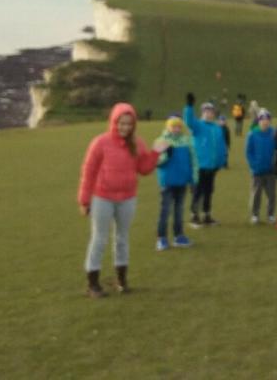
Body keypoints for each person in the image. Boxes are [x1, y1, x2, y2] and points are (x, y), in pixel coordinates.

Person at [78, 103, 168, 297]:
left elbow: (144, 169)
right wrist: (84, 200)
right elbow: (89, 171)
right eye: (122, 123)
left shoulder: (137, 143)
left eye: (129, 124)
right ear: (114, 122)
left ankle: (122, 280)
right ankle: (93, 284)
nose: (125, 127)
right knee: (99, 239)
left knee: (122, 238)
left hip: (127, 199)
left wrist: (155, 153)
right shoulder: (100, 143)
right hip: (102, 197)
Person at [154, 114, 198, 251]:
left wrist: (194, 178)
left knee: (179, 210)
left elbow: (194, 159)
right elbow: (156, 161)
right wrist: (167, 155)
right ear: (168, 127)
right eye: (174, 126)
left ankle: (179, 236)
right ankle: (161, 238)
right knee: (165, 210)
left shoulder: (187, 140)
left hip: (182, 181)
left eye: (179, 126)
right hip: (167, 182)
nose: (177, 129)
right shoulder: (161, 141)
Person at [183, 93, 227, 227]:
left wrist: (221, 162)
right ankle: (194, 216)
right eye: (206, 111)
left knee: (209, 191)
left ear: (214, 114)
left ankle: (206, 214)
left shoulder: (217, 129)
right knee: (198, 191)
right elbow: (189, 121)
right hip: (200, 166)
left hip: (212, 167)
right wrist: (189, 106)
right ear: (202, 113)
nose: (209, 114)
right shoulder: (198, 126)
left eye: (211, 111)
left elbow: (221, 146)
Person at [245, 109, 277, 224]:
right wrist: (254, 165)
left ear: (270, 121)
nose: (265, 121)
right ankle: (255, 215)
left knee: (272, 195)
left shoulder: (274, 133)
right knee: (256, 194)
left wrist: (275, 164)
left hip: (271, 170)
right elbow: (248, 152)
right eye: (262, 119)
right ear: (258, 121)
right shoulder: (252, 134)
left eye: (267, 119)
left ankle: (270, 215)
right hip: (257, 171)